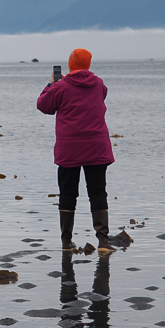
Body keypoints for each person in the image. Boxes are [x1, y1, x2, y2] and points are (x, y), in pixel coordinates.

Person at [36, 48, 115, 252]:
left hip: (69, 149)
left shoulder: (61, 86)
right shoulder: (98, 83)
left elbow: (43, 105)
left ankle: (66, 241)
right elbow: (103, 94)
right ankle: (103, 241)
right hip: (97, 147)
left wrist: (51, 84)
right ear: (88, 64)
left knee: (68, 193)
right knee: (97, 192)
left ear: (70, 64)